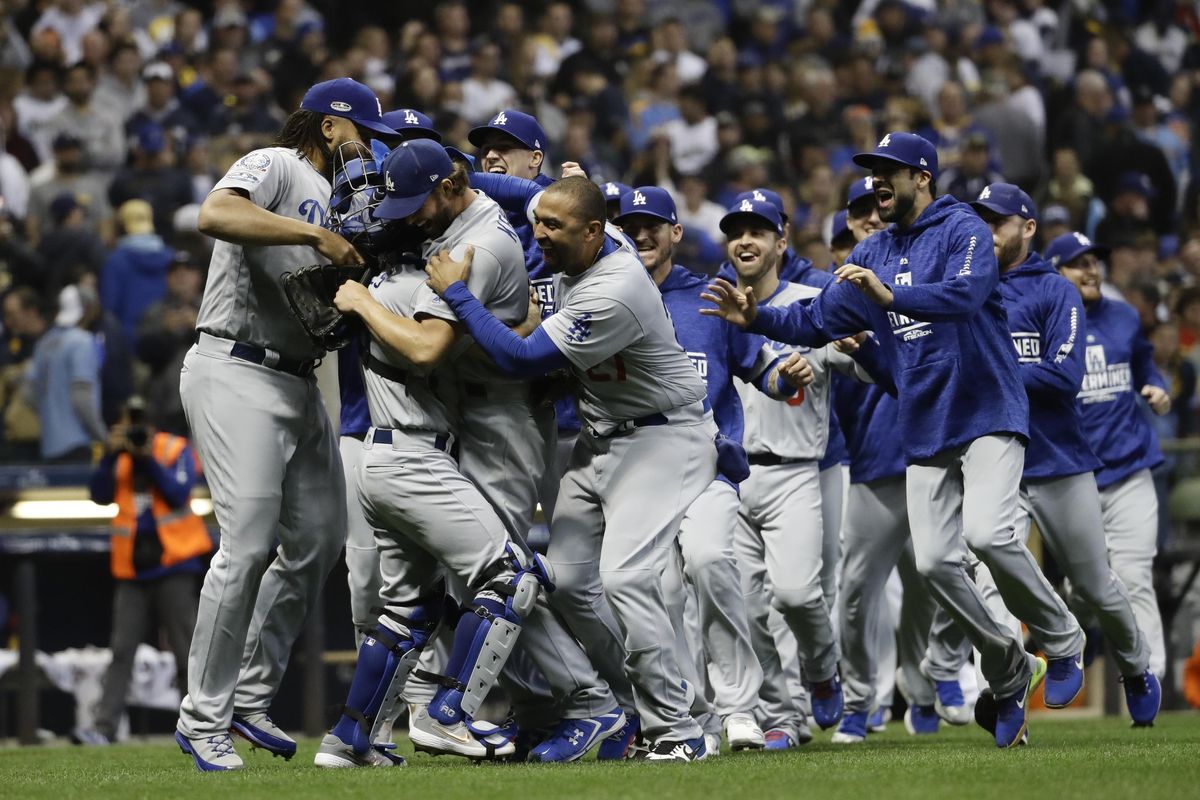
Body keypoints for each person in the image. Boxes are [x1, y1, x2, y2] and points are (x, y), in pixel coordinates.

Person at [702, 132, 1085, 749]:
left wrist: (892, 296)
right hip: (928, 421)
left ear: (923, 177)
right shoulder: (874, 250)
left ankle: (1064, 641)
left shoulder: (963, 228)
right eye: (873, 171)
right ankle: (1009, 669)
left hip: (988, 405)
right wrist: (759, 318)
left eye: (891, 171)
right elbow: (819, 319)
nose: (879, 180)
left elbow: (967, 294)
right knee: (935, 565)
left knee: (987, 535)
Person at [323, 140, 623, 766]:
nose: (406, 216)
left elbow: (434, 347)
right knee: (476, 581)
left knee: (500, 575)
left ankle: (583, 704)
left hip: (505, 416)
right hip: (460, 418)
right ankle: (553, 708)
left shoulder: (477, 244)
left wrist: (362, 299)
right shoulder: (446, 228)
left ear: (452, 185)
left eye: (416, 203)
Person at [425, 176, 719, 762]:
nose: (540, 235)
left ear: (592, 231)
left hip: (664, 437)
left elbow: (521, 357)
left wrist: (459, 297)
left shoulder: (616, 285)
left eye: (553, 229)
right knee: (564, 580)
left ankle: (680, 731)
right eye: (540, 224)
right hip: (601, 436)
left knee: (627, 579)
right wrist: (455, 169)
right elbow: (529, 190)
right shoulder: (578, 226)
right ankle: (649, 704)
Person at [173, 77, 393, 772]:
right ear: (330, 127)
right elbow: (213, 213)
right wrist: (314, 233)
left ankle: (246, 695)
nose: (372, 148)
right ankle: (202, 715)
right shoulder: (278, 165)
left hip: (301, 379)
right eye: (362, 132)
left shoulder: (357, 204)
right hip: (234, 365)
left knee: (320, 541)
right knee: (245, 546)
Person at [613, 186, 809, 753]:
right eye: (631, 224)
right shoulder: (603, 297)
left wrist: (786, 376)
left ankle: (740, 707)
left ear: (677, 233)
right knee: (660, 590)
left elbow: (760, 370)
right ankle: (687, 714)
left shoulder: (708, 297)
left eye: (654, 224)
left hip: (708, 466)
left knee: (709, 557)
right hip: (636, 472)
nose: (642, 233)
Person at [970, 184, 1160, 725]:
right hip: (994, 459)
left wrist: (997, 374)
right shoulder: (967, 288)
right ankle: (1009, 685)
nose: (986, 230)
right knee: (989, 574)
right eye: (980, 219)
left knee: (1097, 584)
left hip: (1057, 459)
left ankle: (1136, 665)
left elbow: (1065, 374)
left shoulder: (1054, 291)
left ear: (1027, 228)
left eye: (997, 220)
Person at [1048, 230, 1171, 684]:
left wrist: (1157, 387)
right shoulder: (1046, 320)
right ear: (1055, 272)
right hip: (1074, 476)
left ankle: (1150, 674)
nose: (1091, 269)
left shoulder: (1123, 316)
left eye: (1095, 260)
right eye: (1078, 262)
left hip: (1131, 466)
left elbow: (1145, 364)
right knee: (1088, 586)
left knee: (1134, 574)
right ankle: (1080, 623)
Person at [74, 399, 212, 745]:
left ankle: (200, 726)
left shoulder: (172, 447)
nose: (134, 432)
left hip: (173, 565)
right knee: (121, 651)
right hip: (132, 571)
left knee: (188, 651)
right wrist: (109, 454)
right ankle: (104, 729)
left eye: (138, 425)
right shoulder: (117, 455)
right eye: (127, 425)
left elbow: (179, 493)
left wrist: (147, 457)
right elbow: (99, 494)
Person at [25, 283, 106, 462]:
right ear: (88, 310)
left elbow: (28, 393)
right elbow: (81, 397)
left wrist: (52, 411)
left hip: (49, 445)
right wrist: (103, 436)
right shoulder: (82, 342)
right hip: (77, 443)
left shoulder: (44, 343)